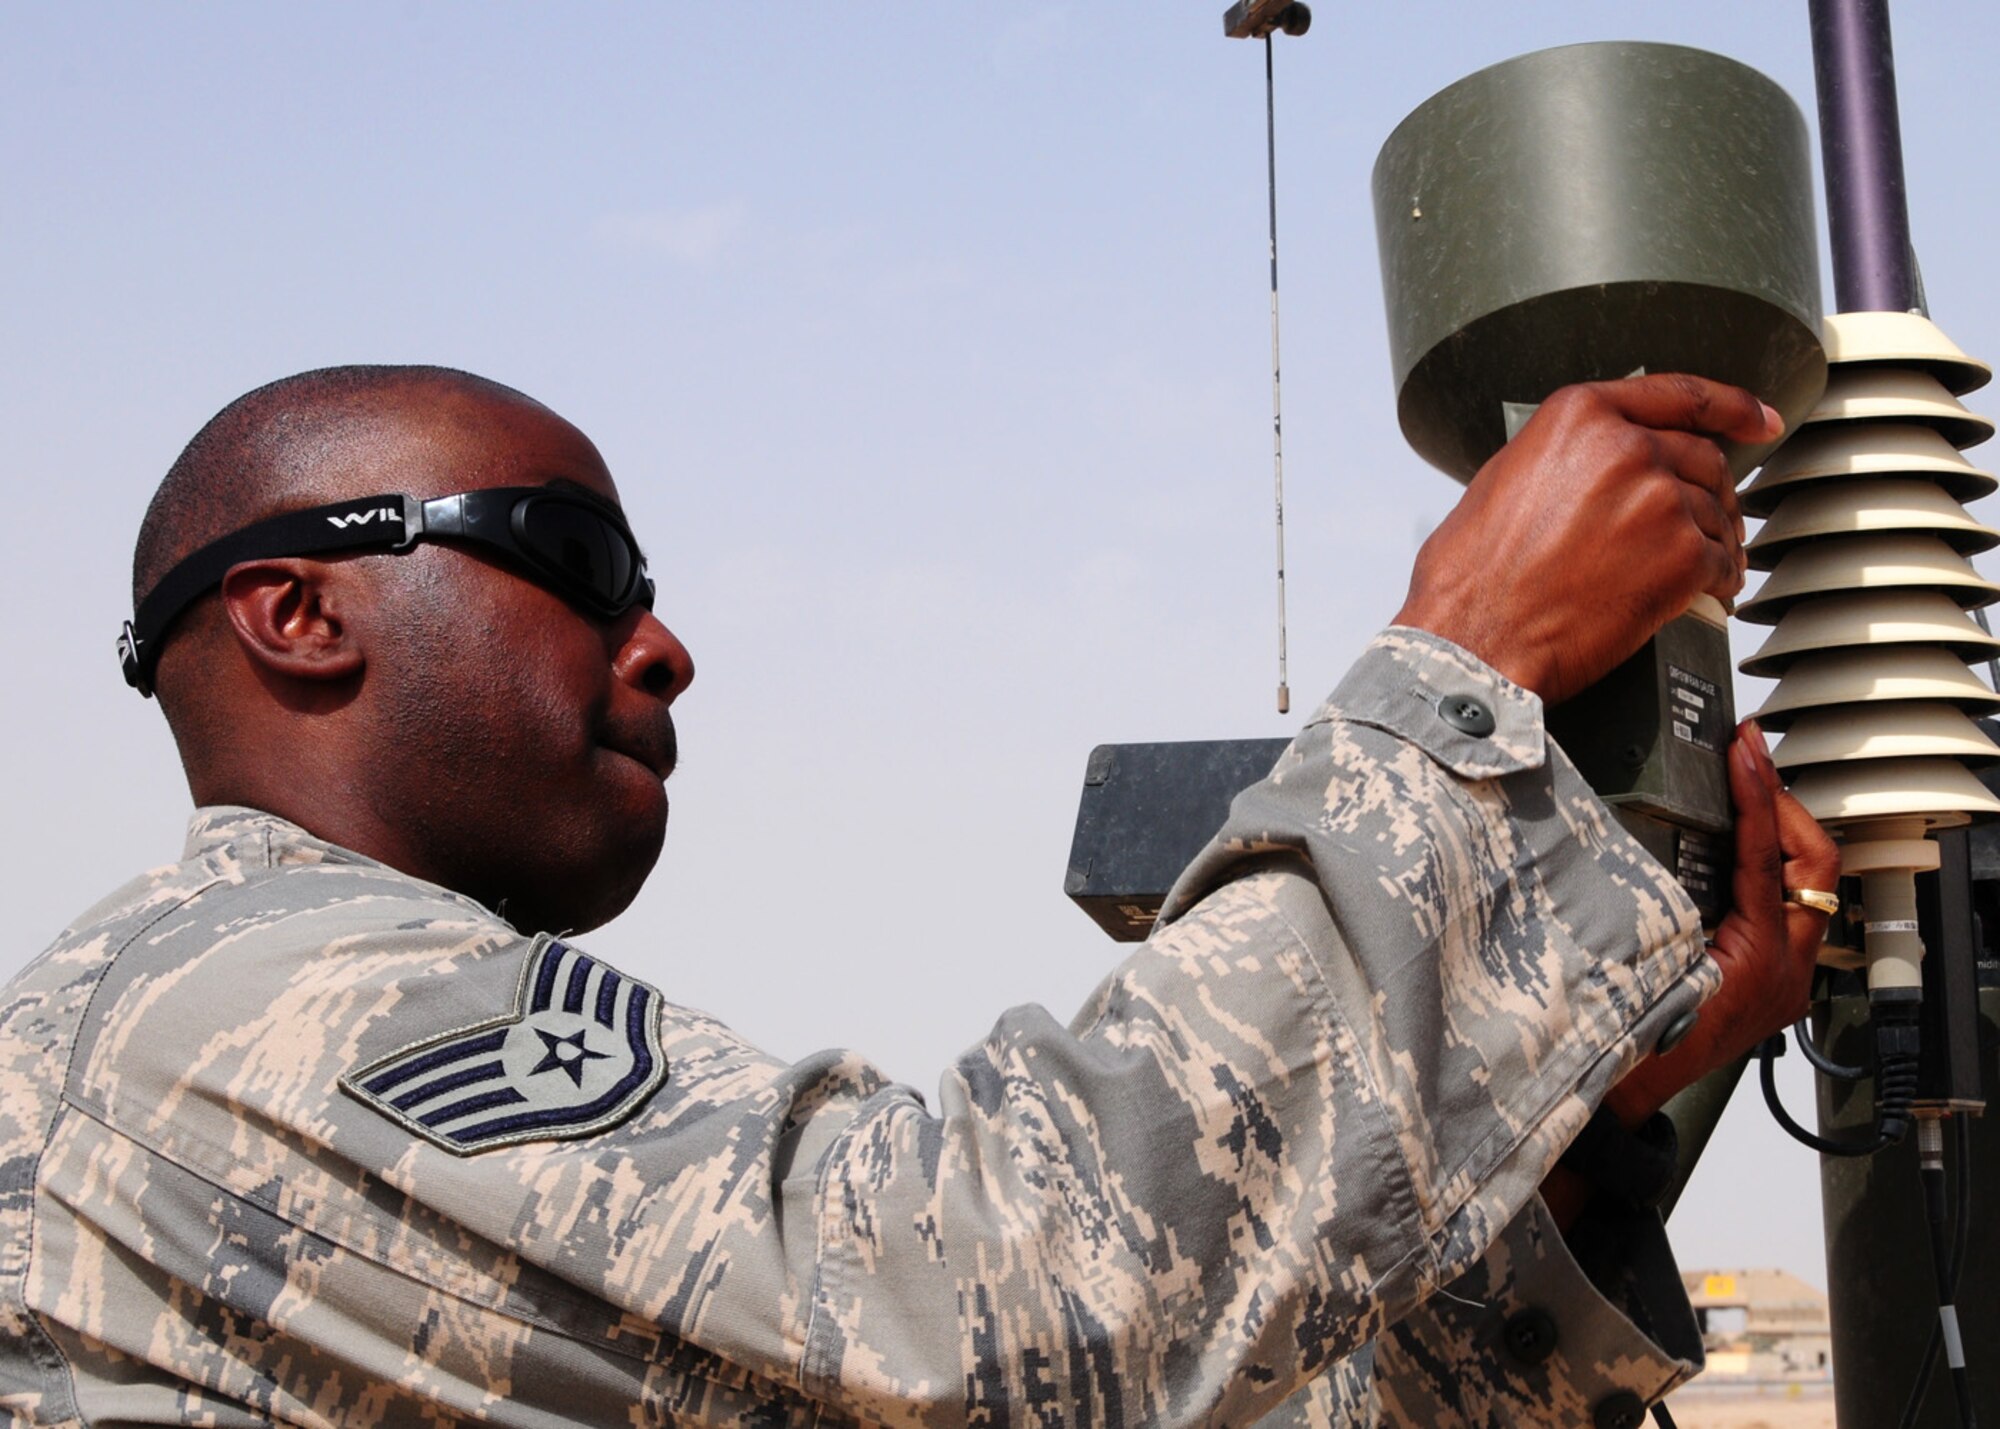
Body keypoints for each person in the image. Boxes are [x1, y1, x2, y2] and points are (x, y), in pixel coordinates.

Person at [0, 365, 1837, 1427]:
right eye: (569, 558)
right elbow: (999, 1307)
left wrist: (1604, 1121)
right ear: (295, 613)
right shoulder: (219, 1009)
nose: (665, 644)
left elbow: (1123, 1373)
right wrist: (1463, 668)